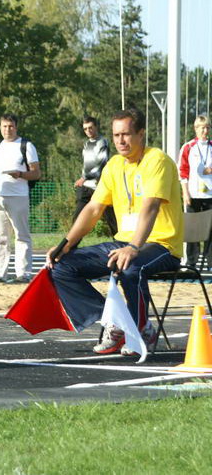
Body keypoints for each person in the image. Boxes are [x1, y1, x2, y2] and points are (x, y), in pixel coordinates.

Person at [47, 108, 181, 357]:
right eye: (117, 135)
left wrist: (134, 246)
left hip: (161, 245)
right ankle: (114, 322)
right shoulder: (113, 166)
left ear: (141, 134)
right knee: (60, 266)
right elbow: (94, 208)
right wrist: (65, 243)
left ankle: (141, 330)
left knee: (130, 267)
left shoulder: (157, 160)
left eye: (127, 134)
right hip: (123, 243)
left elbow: (151, 207)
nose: (121, 140)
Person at [0, 113, 41, 283]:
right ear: (0, 127)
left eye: (11, 126)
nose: (7, 129)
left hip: (18, 195)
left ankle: (23, 273)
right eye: (4, 126)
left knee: (21, 235)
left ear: (16, 127)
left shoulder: (26, 145)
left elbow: (37, 173)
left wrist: (21, 174)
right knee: (0, 237)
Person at [73, 115, 117, 236]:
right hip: (86, 187)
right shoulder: (87, 144)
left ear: (96, 127)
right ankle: (69, 247)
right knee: (78, 218)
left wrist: (84, 177)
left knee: (112, 220)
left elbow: (101, 165)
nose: (88, 131)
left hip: (101, 186)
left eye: (90, 127)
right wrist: (83, 178)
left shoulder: (102, 142)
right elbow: (86, 165)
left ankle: (121, 244)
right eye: (85, 129)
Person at [178, 115, 212, 269]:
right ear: (195, 129)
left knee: (210, 229)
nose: (205, 131)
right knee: (192, 230)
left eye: (207, 127)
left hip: (210, 195)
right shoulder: (188, 147)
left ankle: (210, 262)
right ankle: (191, 262)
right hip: (192, 194)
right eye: (202, 128)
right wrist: (185, 193)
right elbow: (183, 171)